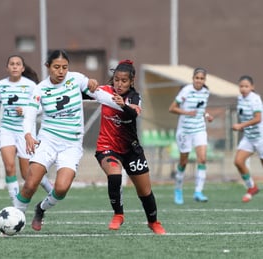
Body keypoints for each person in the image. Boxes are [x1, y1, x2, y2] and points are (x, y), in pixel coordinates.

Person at [12, 49, 98, 231]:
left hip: (71, 145)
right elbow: (30, 113)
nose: (61, 71)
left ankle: (41, 209)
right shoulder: (40, 89)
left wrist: (92, 82)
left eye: (64, 67)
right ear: (47, 67)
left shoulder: (75, 79)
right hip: (48, 140)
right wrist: (28, 134)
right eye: (57, 67)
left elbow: (90, 86)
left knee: (61, 188)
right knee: (30, 184)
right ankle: (13, 222)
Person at [90, 59, 166, 234]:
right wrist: (88, 84)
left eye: (123, 81)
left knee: (145, 192)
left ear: (131, 81)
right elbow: (81, 91)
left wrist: (123, 105)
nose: (119, 84)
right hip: (107, 146)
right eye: (116, 80)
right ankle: (118, 214)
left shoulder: (134, 97)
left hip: (131, 150)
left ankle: (153, 222)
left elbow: (133, 114)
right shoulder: (105, 92)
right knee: (115, 175)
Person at [0, 55, 53, 204]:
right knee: (9, 167)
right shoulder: (0, 85)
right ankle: (16, 205)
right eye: (12, 64)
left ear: (22, 68)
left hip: (25, 132)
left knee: (27, 174)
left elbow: (42, 107)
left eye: (18, 64)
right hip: (6, 129)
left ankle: (52, 191)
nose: (15, 66)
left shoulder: (31, 86)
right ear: (7, 68)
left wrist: (26, 111)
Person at [169, 67, 214, 205]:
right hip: (184, 131)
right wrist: (187, 113)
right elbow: (172, 108)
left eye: (201, 78)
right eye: (197, 78)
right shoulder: (186, 91)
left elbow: (201, 109)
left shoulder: (206, 92)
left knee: (202, 159)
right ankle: (178, 190)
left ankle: (198, 192)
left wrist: (206, 115)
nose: (199, 80)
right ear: (193, 78)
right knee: (183, 162)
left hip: (199, 129)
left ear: (204, 80)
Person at [232, 75, 263, 202]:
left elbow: (258, 119)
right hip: (249, 137)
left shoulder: (255, 99)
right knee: (238, 161)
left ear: (252, 87)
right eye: (241, 86)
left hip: (260, 137)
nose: (244, 89)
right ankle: (252, 187)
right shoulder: (240, 99)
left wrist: (241, 125)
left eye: (246, 86)